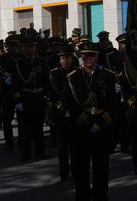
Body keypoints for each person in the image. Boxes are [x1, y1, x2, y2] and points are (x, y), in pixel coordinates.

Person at [66, 42, 117, 201]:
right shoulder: (73, 77)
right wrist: (87, 123)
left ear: (97, 57)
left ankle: (100, 196)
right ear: (81, 57)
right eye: (85, 55)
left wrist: (101, 123)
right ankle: (82, 197)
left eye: (92, 56)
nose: (88, 59)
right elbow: (71, 105)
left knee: (101, 168)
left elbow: (113, 104)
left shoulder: (108, 76)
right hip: (81, 129)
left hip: (101, 128)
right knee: (81, 169)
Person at [12, 37, 48, 160]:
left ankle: (40, 151)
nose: (30, 49)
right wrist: (17, 101)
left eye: (32, 47)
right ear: (23, 48)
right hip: (25, 97)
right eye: (28, 47)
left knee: (39, 126)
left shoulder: (41, 62)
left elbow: (46, 80)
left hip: (38, 96)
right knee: (24, 127)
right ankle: (25, 151)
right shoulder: (19, 63)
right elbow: (15, 83)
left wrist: (47, 97)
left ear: (35, 48)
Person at [49, 45, 78, 181]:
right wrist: (61, 107)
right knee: (63, 146)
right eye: (63, 58)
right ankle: (64, 172)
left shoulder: (78, 72)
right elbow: (52, 94)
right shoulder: (54, 74)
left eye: (68, 58)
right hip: (60, 112)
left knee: (75, 145)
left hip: (75, 112)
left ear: (72, 59)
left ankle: (76, 170)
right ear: (59, 60)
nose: (66, 61)